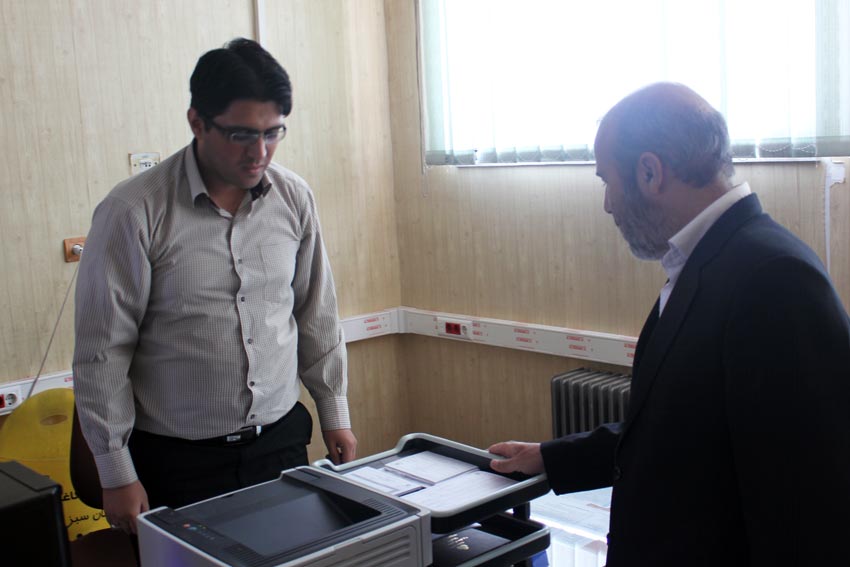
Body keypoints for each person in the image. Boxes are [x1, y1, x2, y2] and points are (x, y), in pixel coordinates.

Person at [489, 82, 850, 566]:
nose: (608, 204)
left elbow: (812, 511)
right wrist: (553, 458)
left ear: (649, 172)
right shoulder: (710, 261)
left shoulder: (775, 279)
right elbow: (683, 428)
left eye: (606, 181)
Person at [73, 38, 356, 534]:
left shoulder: (293, 197)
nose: (259, 152)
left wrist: (334, 411)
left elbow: (316, 312)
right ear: (197, 122)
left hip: (279, 443)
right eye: (242, 134)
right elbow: (103, 352)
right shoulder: (134, 212)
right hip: (177, 461)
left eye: (273, 133)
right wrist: (116, 473)